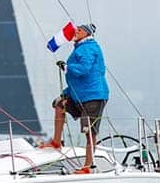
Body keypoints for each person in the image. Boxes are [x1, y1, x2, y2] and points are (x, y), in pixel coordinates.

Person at [39, 23, 109, 174]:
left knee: (89, 131)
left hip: (93, 96)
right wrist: (66, 93)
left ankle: (88, 166)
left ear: (87, 34)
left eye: (80, 30)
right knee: (59, 104)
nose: (76, 31)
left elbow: (84, 69)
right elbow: (76, 81)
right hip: (79, 95)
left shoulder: (89, 48)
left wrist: (68, 67)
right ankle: (56, 142)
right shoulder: (79, 48)